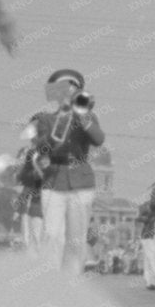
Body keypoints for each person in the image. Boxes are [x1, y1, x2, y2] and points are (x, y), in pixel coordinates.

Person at [26, 69, 103, 275]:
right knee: (51, 234)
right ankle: (50, 281)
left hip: (81, 179)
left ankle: (71, 281)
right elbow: (40, 149)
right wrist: (56, 132)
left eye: (72, 89)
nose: (67, 93)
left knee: (76, 238)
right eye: (62, 89)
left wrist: (83, 117)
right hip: (54, 178)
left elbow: (98, 139)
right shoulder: (46, 120)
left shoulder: (88, 116)